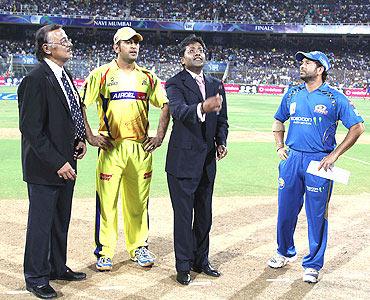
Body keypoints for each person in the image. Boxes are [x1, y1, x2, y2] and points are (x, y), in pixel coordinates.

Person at [268, 51, 364, 283]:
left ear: (320, 69)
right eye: (301, 62)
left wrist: (334, 154)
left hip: (318, 162)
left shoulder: (335, 97)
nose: (302, 65)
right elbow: (278, 119)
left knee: (317, 215)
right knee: (285, 211)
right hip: (292, 160)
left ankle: (312, 264)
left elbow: (357, 127)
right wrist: (280, 146)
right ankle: (283, 252)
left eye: (307, 63)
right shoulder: (292, 93)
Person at [81, 27, 170, 271]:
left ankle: (139, 247)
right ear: (115, 46)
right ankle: (105, 252)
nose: (133, 46)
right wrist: (89, 136)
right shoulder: (100, 74)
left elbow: (165, 104)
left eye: (136, 43)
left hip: (141, 149)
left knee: (139, 202)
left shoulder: (148, 77)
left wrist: (160, 136)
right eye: (127, 42)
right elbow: (80, 104)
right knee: (107, 202)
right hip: (111, 147)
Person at [18, 24, 87, 299]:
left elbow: (69, 116)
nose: (69, 44)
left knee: (60, 221)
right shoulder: (35, 79)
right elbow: (31, 129)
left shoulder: (65, 75)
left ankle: (57, 267)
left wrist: (79, 140)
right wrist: (58, 162)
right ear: (47, 48)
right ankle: (35, 278)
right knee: (41, 224)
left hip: (67, 163)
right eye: (63, 40)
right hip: (46, 168)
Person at [165, 35, 229, 285]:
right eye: (191, 50)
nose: (197, 53)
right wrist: (203, 107)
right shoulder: (174, 83)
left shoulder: (215, 83)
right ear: (182, 59)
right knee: (183, 217)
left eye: (200, 49)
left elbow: (222, 119)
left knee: (204, 215)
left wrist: (221, 141)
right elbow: (179, 112)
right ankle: (183, 266)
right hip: (182, 162)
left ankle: (201, 260)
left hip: (206, 162)